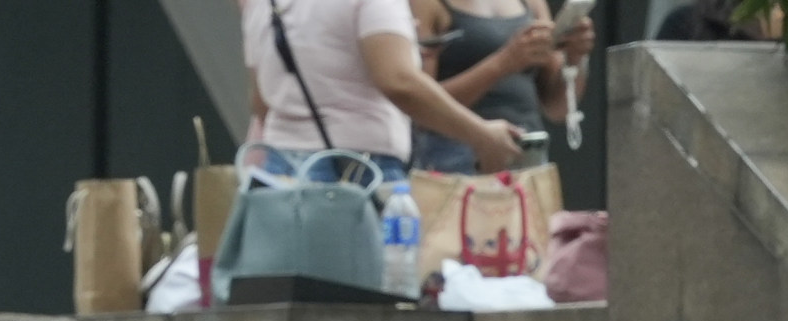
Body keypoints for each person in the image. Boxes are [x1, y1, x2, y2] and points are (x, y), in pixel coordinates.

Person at [246, 0, 520, 182]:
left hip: (280, 173)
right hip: (356, 175)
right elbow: (399, 81)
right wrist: (482, 135)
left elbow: (263, 102)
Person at [408, 0, 584, 171]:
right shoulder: (426, 4)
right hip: (455, 160)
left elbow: (558, 108)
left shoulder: (533, 4)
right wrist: (504, 63)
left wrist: (575, 57)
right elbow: (419, 106)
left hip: (528, 156)